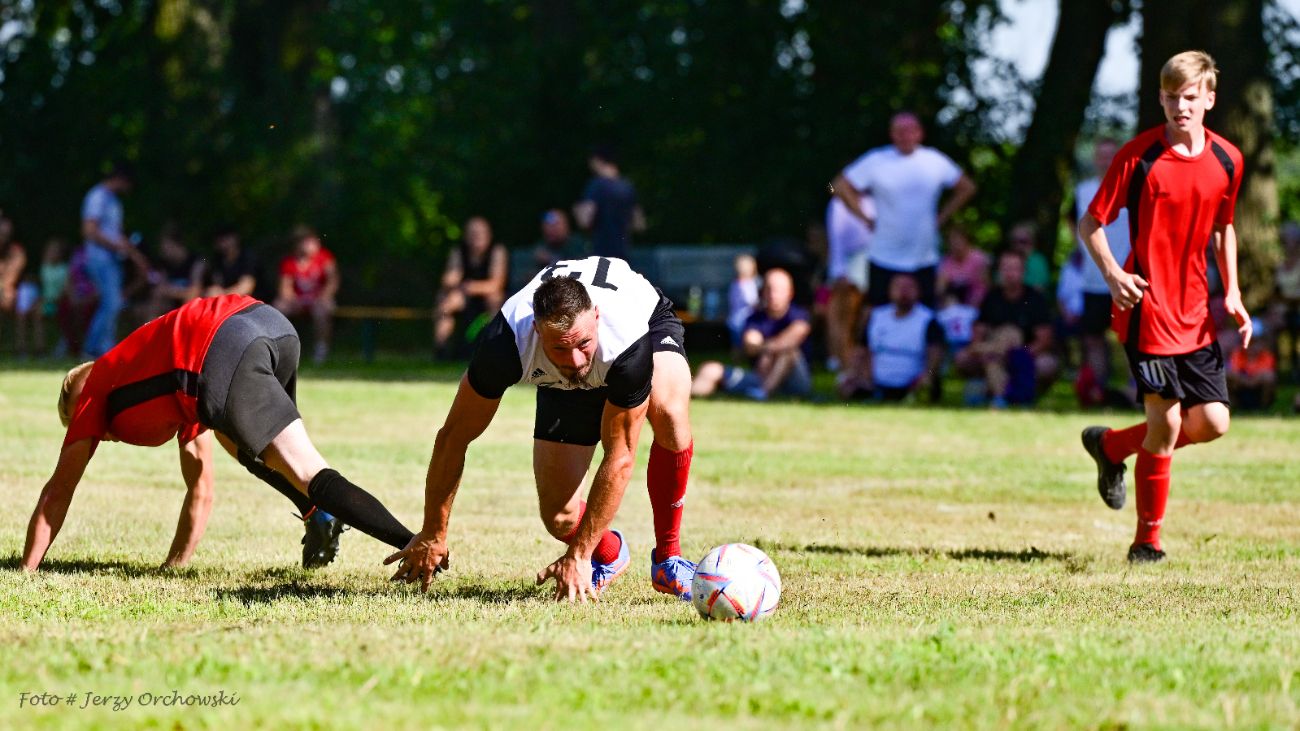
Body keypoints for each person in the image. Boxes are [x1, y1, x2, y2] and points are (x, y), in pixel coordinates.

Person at [21, 294, 416, 573]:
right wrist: (174, 567)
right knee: (249, 445)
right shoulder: (164, 382)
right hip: (268, 323)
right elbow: (201, 486)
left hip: (221, 351)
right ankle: (319, 514)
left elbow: (58, 491)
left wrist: (26, 571)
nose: (94, 436)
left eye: (75, 420)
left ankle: (417, 543)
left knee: (309, 472)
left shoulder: (94, 389)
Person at [387, 256, 698, 604]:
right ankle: (609, 554)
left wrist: (577, 557)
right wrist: (433, 531)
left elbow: (620, 457)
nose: (576, 360)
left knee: (669, 411)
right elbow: (453, 438)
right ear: (536, 330)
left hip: (647, 325)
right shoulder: (505, 342)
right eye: (560, 348)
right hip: (557, 381)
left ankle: (669, 558)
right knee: (561, 519)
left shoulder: (626, 339)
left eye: (582, 343)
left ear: (596, 316)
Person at [1078, 50, 1250, 564]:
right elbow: (1090, 224)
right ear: (1160, 97)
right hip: (1146, 311)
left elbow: (1225, 227)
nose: (1181, 106)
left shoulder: (1228, 159)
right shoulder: (1138, 157)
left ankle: (1110, 448)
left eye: (1191, 98)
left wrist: (1234, 293)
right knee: (1169, 424)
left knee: (1213, 423)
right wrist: (1113, 276)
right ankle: (1146, 542)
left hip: (1196, 314)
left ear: (1210, 100)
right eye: (1172, 97)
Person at [831, 111, 977, 308]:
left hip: (923, 257)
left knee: (923, 317)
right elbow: (839, 186)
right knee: (881, 315)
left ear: (919, 133)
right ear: (892, 134)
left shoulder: (934, 161)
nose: (905, 136)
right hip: (884, 256)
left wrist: (942, 217)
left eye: (910, 131)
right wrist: (864, 217)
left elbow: (966, 187)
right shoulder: (876, 160)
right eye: (899, 131)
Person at [1070, 138, 1133, 402]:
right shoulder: (1082, 191)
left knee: (1131, 338)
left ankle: (1136, 391)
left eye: (1111, 156)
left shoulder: (1132, 188)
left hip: (1127, 277)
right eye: (1101, 156)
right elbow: (1074, 224)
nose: (1105, 161)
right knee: (1094, 338)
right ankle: (1098, 391)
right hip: (1093, 279)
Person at [954, 251, 1059, 407]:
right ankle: (999, 393)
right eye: (1006, 268)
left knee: (1048, 364)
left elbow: (1044, 340)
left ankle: (1001, 391)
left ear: (1023, 272)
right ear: (999, 271)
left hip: (1024, 353)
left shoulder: (1035, 299)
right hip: (992, 352)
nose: (1010, 273)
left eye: (1014, 268)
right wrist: (991, 349)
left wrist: (1018, 353)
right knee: (963, 358)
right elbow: (978, 334)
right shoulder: (991, 298)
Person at [692, 268, 813, 401]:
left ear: (790, 293)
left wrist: (766, 351)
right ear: (763, 292)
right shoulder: (755, 318)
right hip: (760, 376)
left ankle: (763, 393)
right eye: (769, 289)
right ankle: (686, 396)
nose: (773, 295)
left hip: (794, 382)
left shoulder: (800, 316)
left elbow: (791, 340)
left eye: (779, 290)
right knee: (710, 369)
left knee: (789, 352)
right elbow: (750, 345)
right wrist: (768, 350)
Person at [837, 273, 945, 402]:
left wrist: (928, 376)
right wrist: (855, 372)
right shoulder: (876, 316)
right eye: (899, 287)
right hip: (875, 382)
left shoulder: (928, 319)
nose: (903, 291)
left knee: (927, 388)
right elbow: (862, 350)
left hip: (914, 384)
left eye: (909, 287)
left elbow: (936, 357)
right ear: (889, 290)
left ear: (918, 291)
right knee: (846, 385)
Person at [81, 162, 147, 358]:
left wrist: (134, 254)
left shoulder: (113, 201)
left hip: (111, 260)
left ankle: (96, 347)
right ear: (120, 179)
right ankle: (99, 349)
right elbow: (90, 231)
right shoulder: (97, 196)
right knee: (112, 302)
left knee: (110, 303)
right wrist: (118, 247)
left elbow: (116, 233)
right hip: (100, 259)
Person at [433, 216, 508, 356]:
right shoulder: (458, 252)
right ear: (466, 236)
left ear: (489, 235)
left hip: (488, 300)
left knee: (495, 299)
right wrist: (452, 281)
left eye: (480, 233)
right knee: (447, 302)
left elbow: (496, 285)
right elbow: (448, 280)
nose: (476, 237)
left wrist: (469, 287)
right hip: (465, 298)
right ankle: (442, 348)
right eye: (472, 233)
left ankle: (492, 348)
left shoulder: (497, 251)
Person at [274, 225, 339, 364]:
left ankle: (321, 350)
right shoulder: (290, 263)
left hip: (318, 300)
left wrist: (324, 296)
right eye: (309, 242)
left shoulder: (324, 258)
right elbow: (285, 288)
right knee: (278, 308)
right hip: (297, 301)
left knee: (323, 309)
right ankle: (279, 349)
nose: (315, 244)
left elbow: (332, 281)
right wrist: (292, 300)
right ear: (298, 244)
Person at [824, 195, 874, 371]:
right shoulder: (839, 204)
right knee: (845, 320)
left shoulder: (875, 200)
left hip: (873, 262)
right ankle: (843, 363)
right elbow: (835, 239)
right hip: (849, 267)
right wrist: (840, 272)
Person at [573, 146, 645, 261]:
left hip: (601, 256)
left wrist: (577, 210)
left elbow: (585, 221)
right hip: (624, 255)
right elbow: (639, 224)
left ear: (597, 160)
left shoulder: (596, 186)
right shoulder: (627, 187)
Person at [143, 226, 203, 321]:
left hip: (194, 305)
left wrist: (169, 291)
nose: (162, 249)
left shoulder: (196, 262)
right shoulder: (165, 263)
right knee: (155, 299)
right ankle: (151, 330)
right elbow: (160, 288)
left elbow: (194, 291)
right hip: (171, 304)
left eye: (164, 244)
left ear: (175, 244)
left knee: (189, 300)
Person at [1227, 318, 1275, 411]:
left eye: (1255, 342)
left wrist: (1247, 380)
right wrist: (1248, 381)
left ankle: (1263, 407)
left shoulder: (1266, 355)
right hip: (1242, 389)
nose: (1252, 346)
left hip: (1257, 390)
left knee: (1269, 377)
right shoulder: (1237, 353)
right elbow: (1233, 372)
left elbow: (1266, 375)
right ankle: (1234, 405)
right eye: (1250, 342)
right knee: (1226, 375)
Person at [936, 224, 990, 307]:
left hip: (978, 302)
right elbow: (940, 289)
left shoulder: (979, 258)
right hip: (954, 303)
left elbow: (984, 286)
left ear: (966, 240)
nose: (955, 243)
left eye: (958, 239)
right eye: (952, 240)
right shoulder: (946, 261)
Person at [530, 209, 588, 278]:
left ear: (566, 225)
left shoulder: (578, 244)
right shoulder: (541, 247)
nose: (551, 229)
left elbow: (580, 269)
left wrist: (551, 260)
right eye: (547, 225)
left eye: (556, 225)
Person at [1275, 222, 1300, 379]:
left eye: (1290, 241)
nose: (1287, 245)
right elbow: (1276, 292)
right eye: (1285, 241)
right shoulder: (1280, 265)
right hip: (1284, 310)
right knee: (1270, 326)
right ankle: (1274, 369)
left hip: (1296, 309)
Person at [201, 227, 257, 298]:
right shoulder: (217, 260)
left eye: (227, 239)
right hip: (227, 302)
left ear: (236, 239)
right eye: (220, 240)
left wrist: (221, 295)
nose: (224, 244)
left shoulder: (247, 257)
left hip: (252, 303)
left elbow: (246, 288)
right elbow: (214, 285)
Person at [0, 214, 28, 350]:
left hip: (19, 288)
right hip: (5, 290)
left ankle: (21, 348)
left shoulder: (16, 251)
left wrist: (5, 289)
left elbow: (11, 278)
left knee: (19, 299)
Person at [39, 238, 70, 355]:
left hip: (59, 303)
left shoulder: (64, 270)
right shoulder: (44, 268)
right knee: (35, 314)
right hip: (46, 302)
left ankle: (63, 344)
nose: (51, 254)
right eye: (50, 251)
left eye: (55, 251)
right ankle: (39, 348)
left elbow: (65, 291)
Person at [726, 253, 761, 348]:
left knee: (737, 345)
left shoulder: (735, 283)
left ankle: (737, 360)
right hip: (744, 320)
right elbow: (752, 301)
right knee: (744, 345)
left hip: (734, 320)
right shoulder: (747, 285)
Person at [1005, 221, 1051, 293]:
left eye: (1023, 241)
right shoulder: (1006, 259)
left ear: (1032, 241)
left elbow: (1039, 288)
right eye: (1014, 241)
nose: (1018, 245)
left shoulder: (1038, 261)